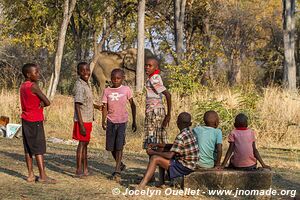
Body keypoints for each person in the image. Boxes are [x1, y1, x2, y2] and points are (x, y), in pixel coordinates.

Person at [138, 112, 199, 189]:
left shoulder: (181, 136)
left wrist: (153, 152)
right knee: (161, 150)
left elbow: (170, 155)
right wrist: (157, 145)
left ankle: (141, 185)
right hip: (192, 165)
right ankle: (161, 182)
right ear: (190, 124)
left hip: (185, 167)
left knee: (155, 158)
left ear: (178, 123)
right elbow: (176, 146)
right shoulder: (190, 133)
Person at [20, 63, 56, 183]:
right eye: (36, 72)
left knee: (28, 148)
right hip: (35, 120)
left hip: (25, 119)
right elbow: (47, 101)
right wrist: (42, 103)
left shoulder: (23, 86)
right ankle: (42, 176)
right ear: (28, 74)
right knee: (39, 148)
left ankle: (30, 175)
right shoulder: (33, 86)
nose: (38, 74)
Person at [102, 68, 137, 183]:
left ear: (123, 78)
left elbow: (133, 105)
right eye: (113, 78)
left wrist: (134, 121)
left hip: (122, 121)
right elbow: (105, 107)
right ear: (110, 78)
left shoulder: (126, 89)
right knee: (110, 147)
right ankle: (120, 164)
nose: (115, 80)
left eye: (118, 78)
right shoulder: (107, 90)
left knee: (119, 145)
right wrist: (103, 120)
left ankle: (117, 170)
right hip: (111, 120)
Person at [143, 56, 172, 185]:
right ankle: (158, 177)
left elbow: (168, 94)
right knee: (158, 143)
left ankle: (153, 176)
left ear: (156, 67)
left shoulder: (154, 78)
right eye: (146, 65)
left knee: (152, 144)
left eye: (150, 66)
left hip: (155, 113)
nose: (146, 67)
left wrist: (168, 115)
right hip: (155, 112)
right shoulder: (153, 78)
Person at [73, 62, 101, 177]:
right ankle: (79, 170)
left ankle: (85, 169)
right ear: (78, 72)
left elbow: (86, 101)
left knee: (85, 144)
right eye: (83, 71)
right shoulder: (79, 85)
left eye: (87, 70)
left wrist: (97, 106)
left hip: (88, 118)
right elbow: (78, 105)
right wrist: (82, 125)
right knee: (82, 144)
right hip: (82, 119)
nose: (86, 73)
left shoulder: (86, 83)